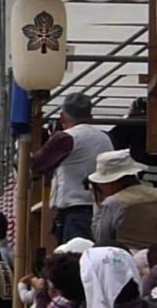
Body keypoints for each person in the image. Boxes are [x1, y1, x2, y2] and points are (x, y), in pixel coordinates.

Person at [31, 92, 113, 243]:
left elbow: (36, 165)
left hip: (74, 211)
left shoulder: (66, 137)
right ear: (90, 117)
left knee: (72, 258)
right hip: (99, 208)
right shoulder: (105, 138)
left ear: (62, 117)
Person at [88, 149, 157, 250]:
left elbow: (102, 240)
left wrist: (97, 206)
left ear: (112, 182)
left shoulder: (113, 202)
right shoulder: (154, 193)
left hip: (126, 256)